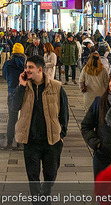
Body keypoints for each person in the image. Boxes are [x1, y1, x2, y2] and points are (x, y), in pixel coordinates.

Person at [12, 55, 69, 196]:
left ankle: (46, 195)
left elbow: (64, 112)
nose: (27, 70)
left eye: (30, 67)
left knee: (50, 176)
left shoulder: (56, 87)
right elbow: (14, 106)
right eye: (26, 67)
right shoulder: (24, 86)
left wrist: (61, 135)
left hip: (51, 141)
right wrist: (21, 86)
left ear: (40, 69)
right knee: (33, 178)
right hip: (30, 140)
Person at [2, 42, 25, 149]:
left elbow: (4, 76)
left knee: (12, 119)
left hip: (12, 93)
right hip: (25, 93)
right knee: (25, 118)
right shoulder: (26, 64)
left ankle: (10, 142)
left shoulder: (7, 64)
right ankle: (21, 141)